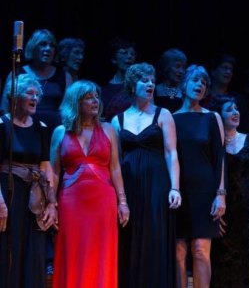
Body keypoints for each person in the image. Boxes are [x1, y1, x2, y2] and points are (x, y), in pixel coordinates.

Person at [50, 80, 130, 287]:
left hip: (103, 201)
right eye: (88, 97)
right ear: (76, 102)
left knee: (101, 253)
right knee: (73, 251)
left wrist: (123, 202)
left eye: (96, 96)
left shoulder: (108, 129)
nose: (95, 101)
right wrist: (51, 203)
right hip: (71, 202)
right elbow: (54, 172)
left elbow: (115, 168)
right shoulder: (60, 132)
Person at [111, 62, 181, 288]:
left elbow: (171, 153)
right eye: (144, 80)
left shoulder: (163, 114)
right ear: (132, 85)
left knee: (155, 236)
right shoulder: (117, 120)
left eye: (152, 80)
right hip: (130, 185)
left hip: (157, 184)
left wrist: (175, 187)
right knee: (130, 237)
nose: (150, 84)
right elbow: (116, 161)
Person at [0, 74, 57, 288]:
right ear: (14, 97)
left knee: (33, 251)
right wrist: (0, 203)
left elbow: (45, 166)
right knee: (9, 250)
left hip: (34, 199)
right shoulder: (2, 125)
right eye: (29, 93)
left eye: (37, 94)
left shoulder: (41, 127)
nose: (35, 98)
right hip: (8, 196)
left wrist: (51, 203)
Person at [210, 95, 249, 288]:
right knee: (224, 268)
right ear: (220, 116)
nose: (235, 112)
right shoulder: (214, 145)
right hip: (225, 215)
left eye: (236, 109)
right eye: (229, 110)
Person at [173, 65, 226, 288]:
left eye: (204, 83)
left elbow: (219, 157)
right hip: (179, 191)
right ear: (184, 84)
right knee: (178, 253)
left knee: (200, 251)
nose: (199, 86)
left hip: (205, 191)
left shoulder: (212, 118)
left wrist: (221, 194)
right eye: (195, 80)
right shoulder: (170, 118)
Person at [1, 28, 72, 134]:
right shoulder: (17, 73)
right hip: (21, 130)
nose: (48, 49)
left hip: (54, 132)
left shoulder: (65, 76)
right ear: (33, 48)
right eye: (42, 44)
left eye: (52, 45)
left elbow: (68, 109)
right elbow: (5, 107)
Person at [101, 38, 137, 121]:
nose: (129, 56)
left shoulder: (139, 85)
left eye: (132, 54)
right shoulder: (104, 89)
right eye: (124, 53)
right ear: (114, 59)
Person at [155, 48, 187, 113]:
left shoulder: (185, 93)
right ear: (166, 67)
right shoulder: (154, 91)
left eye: (183, 67)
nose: (181, 71)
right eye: (177, 66)